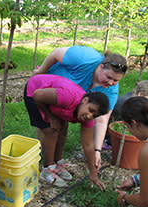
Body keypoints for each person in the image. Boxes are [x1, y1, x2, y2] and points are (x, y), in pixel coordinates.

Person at [33, 45, 127, 174]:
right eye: (109, 77)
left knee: (62, 128)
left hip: (68, 100)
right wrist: (40, 72)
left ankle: (56, 160)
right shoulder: (85, 57)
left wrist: (97, 151)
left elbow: (101, 120)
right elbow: (56, 53)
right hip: (49, 90)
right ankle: (46, 162)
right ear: (100, 67)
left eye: (116, 80)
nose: (111, 83)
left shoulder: (111, 90)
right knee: (50, 129)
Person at [24, 74, 109, 190]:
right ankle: (47, 169)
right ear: (85, 100)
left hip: (52, 101)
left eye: (94, 115)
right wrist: (51, 117)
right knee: (51, 131)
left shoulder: (87, 118)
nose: (89, 116)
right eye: (91, 110)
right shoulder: (68, 97)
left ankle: (57, 163)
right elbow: (37, 95)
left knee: (63, 129)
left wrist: (93, 173)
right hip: (34, 90)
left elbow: (88, 145)